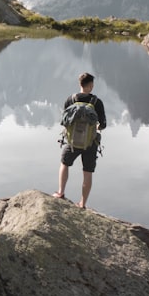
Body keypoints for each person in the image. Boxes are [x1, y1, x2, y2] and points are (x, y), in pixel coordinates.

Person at [53, 71, 106, 209]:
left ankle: (60, 192)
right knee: (87, 172)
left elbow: (64, 120)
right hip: (90, 143)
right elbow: (103, 124)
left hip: (72, 142)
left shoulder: (70, 99)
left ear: (80, 84)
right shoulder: (96, 102)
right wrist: (97, 126)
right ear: (91, 86)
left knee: (64, 163)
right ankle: (82, 203)